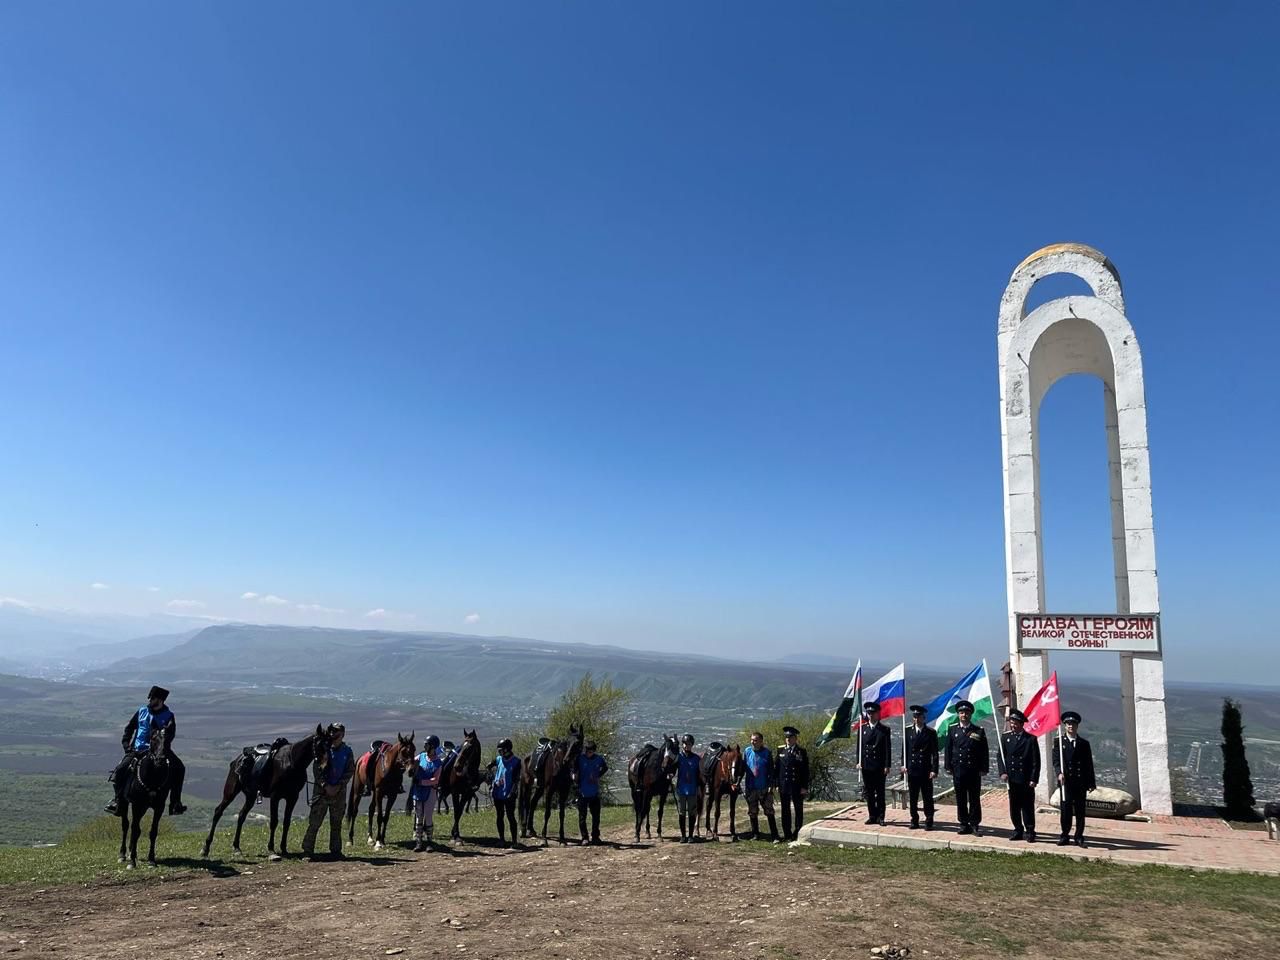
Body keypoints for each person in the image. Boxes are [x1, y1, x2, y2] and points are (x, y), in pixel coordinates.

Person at [106, 685, 186, 816]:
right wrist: (127, 745)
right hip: (138, 749)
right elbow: (129, 729)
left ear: (160, 700)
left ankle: (175, 803)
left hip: (160, 751)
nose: (150, 700)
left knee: (180, 768)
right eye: (150, 698)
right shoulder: (142, 711)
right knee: (119, 771)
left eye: (153, 698)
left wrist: (161, 747)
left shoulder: (169, 716)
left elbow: (171, 735)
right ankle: (118, 801)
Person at [303, 722, 354, 859]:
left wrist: (338, 786)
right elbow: (316, 769)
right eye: (331, 731)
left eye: (336, 731)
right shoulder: (323, 748)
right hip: (321, 792)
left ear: (342, 734)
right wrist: (325, 785)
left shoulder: (347, 751)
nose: (333, 734)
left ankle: (336, 851)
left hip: (339, 793)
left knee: (336, 823)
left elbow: (350, 771)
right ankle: (307, 851)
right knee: (314, 822)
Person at [944, 700, 989, 835]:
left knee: (974, 798)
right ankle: (963, 823)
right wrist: (948, 766)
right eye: (962, 712)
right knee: (961, 798)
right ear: (958, 714)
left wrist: (984, 768)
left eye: (967, 712)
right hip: (958, 770)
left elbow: (984, 751)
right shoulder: (953, 729)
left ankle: (975, 824)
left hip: (974, 770)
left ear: (971, 714)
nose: (964, 715)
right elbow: (948, 749)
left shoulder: (978, 730)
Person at [1052, 711, 1096, 847]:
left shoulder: (1084, 743)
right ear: (1065, 726)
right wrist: (1059, 773)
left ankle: (1079, 836)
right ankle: (1064, 835)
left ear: (1077, 726)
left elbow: (1089, 764)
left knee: (1080, 811)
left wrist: (1091, 783)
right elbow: (1056, 761)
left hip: (1080, 782)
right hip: (1066, 782)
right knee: (1066, 810)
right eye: (1068, 724)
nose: (1071, 726)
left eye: (1073, 724)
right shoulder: (1059, 742)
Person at [998, 708, 1041, 842]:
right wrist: (1003, 772)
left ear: (1022, 724)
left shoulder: (1030, 739)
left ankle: (1030, 831)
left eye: (1016, 723)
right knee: (1014, 807)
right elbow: (1000, 756)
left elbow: (1036, 761)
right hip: (1012, 778)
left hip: (1026, 779)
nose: (1013, 725)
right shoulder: (1006, 737)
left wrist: (1034, 778)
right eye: (1012, 722)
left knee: (1027, 806)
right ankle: (1018, 829)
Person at [902, 704, 938, 830]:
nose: (916, 719)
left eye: (919, 716)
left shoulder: (930, 733)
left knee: (927, 797)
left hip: (926, 770)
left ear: (924, 717)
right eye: (914, 716)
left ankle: (929, 819)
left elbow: (934, 753)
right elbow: (905, 750)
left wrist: (934, 769)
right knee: (913, 797)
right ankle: (914, 819)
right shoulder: (908, 731)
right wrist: (903, 765)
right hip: (912, 769)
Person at [742, 731, 780, 842]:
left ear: (761, 741)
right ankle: (755, 834)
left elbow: (771, 771)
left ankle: (775, 835)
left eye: (755, 740)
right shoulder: (747, 751)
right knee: (752, 812)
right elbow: (743, 768)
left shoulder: (767, 753)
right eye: (752, 740)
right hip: (751, 787)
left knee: (769, 811)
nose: (753, 742)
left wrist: (771, 785)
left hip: (764, 787)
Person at [774, 725, 809, 841]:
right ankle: (787, 833)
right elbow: (777, 769)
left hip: (797, 785)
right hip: (784, 784)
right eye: (786, 737)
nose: (788, 739)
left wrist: (804, 786)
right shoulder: (781, 750)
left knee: (798, 809)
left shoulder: (801, 751)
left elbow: (805, 771)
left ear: (795, 738)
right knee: (785, 810)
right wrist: (777, 784)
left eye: (790, 737)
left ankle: (797, 831)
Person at [859, 702, 891, 826]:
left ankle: (881, 817)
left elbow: (887, 749)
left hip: (879, 766)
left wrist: (887, 765)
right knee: (869, 792)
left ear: (878, 714)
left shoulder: (884, 730)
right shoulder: (863, 729)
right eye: (869, 713)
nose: (871, 715)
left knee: (880, 792)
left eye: (873, 713)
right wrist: (859, 761)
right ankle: (872, 815)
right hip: (866, 765)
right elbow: (860, 747)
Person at [410, 735, 444, 851]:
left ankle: (429, 842)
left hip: (430, 792)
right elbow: (412, 763)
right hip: (418, 791)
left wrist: (421, 781)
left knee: (428, 817)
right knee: (419, 817)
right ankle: (419, 842)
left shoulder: (438, 763)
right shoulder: (421, 756)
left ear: (433, 747)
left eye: (427, 745)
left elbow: (435, 780)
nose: (425, 746)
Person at [574, 739, 608, 845]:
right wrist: (575, 777)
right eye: (587, 751)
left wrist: (598, 775)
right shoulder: (580, 759)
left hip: (594, 792)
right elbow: (573, 769)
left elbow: (605, 768)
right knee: (582, 816)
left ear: (594, 751)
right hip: (582, 791)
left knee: (596, 816)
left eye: (591, 751)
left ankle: (595, 836)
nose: (589, 753)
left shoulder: (599, 759)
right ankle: (584, 837)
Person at [492, 738, 521, 849]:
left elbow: (516, 779)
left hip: (509, 793)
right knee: (499, 816)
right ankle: (501, 839)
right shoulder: (499, 759)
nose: (500, 752)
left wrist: (512, 792)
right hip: (498, 792)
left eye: (501, 750)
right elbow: (492, 764)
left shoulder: (516, 762)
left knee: (510, 816)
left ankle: (514, 841)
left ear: (507, 749)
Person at [674, 734, 702, 843]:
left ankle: (690, 835)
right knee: (682, 813)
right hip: (681, 789)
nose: (686, 746)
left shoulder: (696, 759)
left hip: (692, 789)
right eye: (685, 744)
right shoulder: (679, 757)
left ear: (692, 745)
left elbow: (700, 775)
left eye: (689, 744)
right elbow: (672, 768)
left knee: (691, 813)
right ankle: (683, 835)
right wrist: (670, 775)